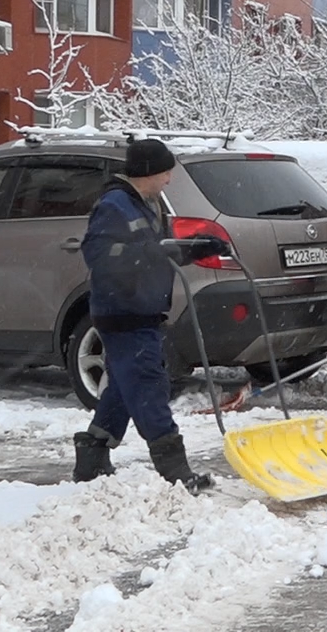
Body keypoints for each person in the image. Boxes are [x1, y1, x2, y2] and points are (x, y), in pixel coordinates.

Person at [70, 139, 215, 492]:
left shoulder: (146, 204)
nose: (169, 179)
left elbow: (157, 253)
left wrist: (196, 248)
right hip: (123, 311)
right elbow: (98, 254)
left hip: (142, 309)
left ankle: (91, 457)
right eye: (166, 171)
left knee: (123, 385)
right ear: (148, 171)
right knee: (149, 384)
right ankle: (175, 470)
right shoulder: (115, 205)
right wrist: (145, 253)